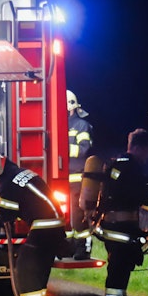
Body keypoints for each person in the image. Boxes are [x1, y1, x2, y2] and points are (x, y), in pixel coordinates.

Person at [0, 154, 68, 296]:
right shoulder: (22, 173)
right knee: (38, 271)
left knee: (26, 270)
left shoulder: (8, 185)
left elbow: (7, 215)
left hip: (44, 227)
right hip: (56, 225)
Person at [93, 128, 148, 296]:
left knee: (117, 271)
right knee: (119, 273)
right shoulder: (133, 168)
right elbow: (141, 194)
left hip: (111, 227)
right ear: (137, 148)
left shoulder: (116, 164)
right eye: (147, 151)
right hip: (122, 229)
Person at [66, 90, 95, 259]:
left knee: (78, 215)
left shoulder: (82, 125)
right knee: (66, 216)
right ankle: (69, 246)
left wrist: (61, 148)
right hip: (63, 179)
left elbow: (84, 148)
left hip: (78, 178)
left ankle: (83, 247)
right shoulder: (60, 124)